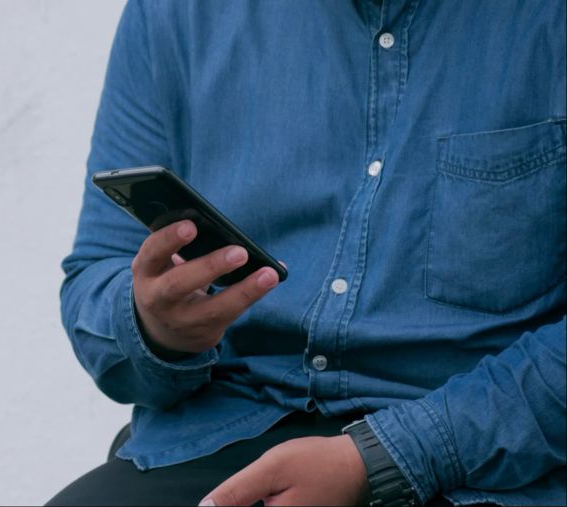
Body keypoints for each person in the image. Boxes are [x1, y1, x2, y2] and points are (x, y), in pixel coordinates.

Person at [49, 1, 566, 505]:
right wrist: (154, 326)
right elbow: (98, 269)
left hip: (478, 457)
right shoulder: (175, 13)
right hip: (225, 429)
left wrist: (387, 457)